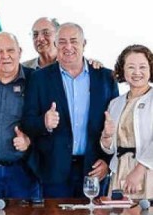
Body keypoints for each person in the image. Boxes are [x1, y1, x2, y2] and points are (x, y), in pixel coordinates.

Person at [22, 22, 119, 198]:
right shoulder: (39, 79)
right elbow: (27, 122)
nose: (68, 47)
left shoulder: (106, 78)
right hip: (52, 172)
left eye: (74, 41)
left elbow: (115, 125)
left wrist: (107, 162)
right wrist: (44, 122)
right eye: (62, 42)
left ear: (84, 44)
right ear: (55, 45)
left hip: (94, 170)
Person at [0, 32, 38, 199]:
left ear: (20, 52)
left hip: (24, 171)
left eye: (10, 50)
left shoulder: (36, 80)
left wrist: (29, 140)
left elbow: (47, 123)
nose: (5, 56)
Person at [100, 45, 153, 198]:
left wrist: (139, 170)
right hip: (119, 173)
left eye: (142, 67)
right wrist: (107, 137)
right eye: (131, 67)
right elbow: (109, 149)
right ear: (122, 70)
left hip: (147, 172)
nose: (137, 72)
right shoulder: (115, 103)